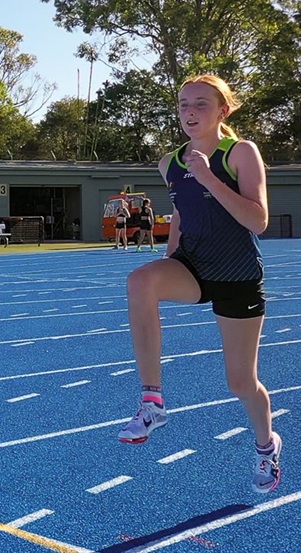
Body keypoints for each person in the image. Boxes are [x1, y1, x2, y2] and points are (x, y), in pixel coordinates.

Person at [118, 74, 280, 493]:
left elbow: (257, 221)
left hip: (237, 276)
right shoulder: (169, 162)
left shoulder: (240, 153)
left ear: (223, 111)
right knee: (140, 281)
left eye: (201, 104)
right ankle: (152, 401)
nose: (190, 112)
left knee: (241, 382)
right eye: (184, 104)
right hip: (192, 265)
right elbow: (183, 216)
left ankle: (266, 446)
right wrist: (168, 263)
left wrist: (209, 178)